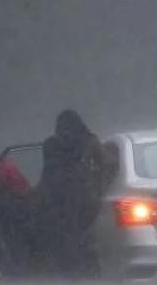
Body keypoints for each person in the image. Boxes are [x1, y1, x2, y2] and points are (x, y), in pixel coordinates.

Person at [37, 110, 110, 276]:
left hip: (59, 200)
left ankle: (71, 271)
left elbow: (46, 173)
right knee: (82, 237)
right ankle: (86, 271)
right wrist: (99, 187)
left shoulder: (51, 144)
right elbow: (108, 165)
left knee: (66, 236)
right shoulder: (89, 141)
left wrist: (39, 194)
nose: (65, 132)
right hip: (81, 198)